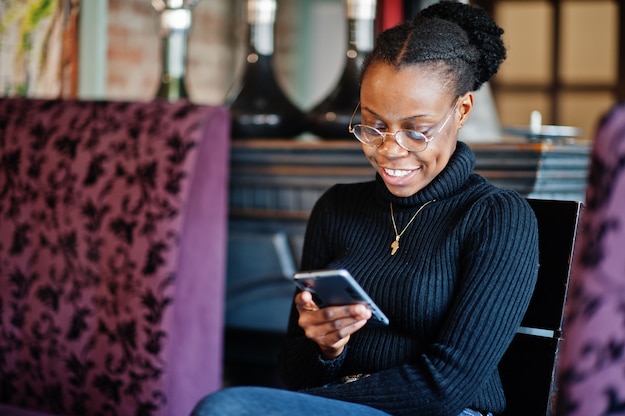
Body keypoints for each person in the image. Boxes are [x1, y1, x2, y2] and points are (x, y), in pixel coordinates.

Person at [191, 1, 539, 415]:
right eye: (373, 125)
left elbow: (444, 388)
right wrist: (325, 348)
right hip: (344, 407)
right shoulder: (337, 207)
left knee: (229, 407)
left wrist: (296, 407)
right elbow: (294, 368)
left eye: (417, 130)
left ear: (461, 110)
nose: (390, 150)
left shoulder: (497, 217)